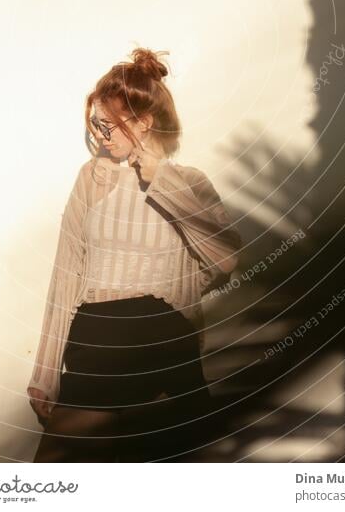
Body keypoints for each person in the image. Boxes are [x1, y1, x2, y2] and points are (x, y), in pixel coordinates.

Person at [27, 47, 241, 461]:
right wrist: (45, 373)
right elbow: (67, 271)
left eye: (109, 125)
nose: (100, 136)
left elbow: (225, 257)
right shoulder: (92, 178)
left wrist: (160, 177)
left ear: (143, 123)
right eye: (95, 125)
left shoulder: (189, 181)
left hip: (167, 335)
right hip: (100, 332)